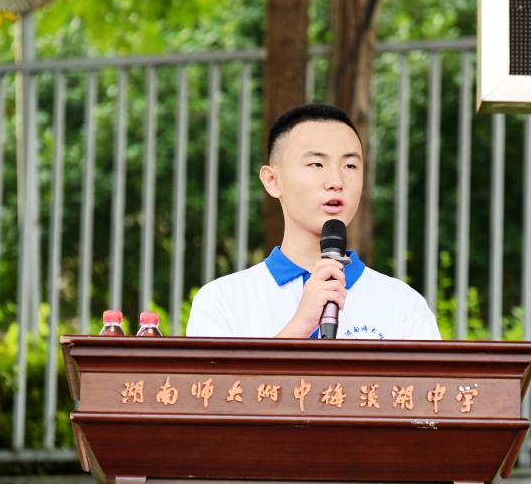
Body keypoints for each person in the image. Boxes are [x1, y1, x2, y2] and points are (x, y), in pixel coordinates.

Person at [186, 103, 440, 340]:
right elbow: (217, 377)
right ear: (273, 181)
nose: (336, 181)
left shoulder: (404, 306)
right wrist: (300, 325)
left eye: (350, 166)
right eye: (317, 164)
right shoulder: (222, 301)